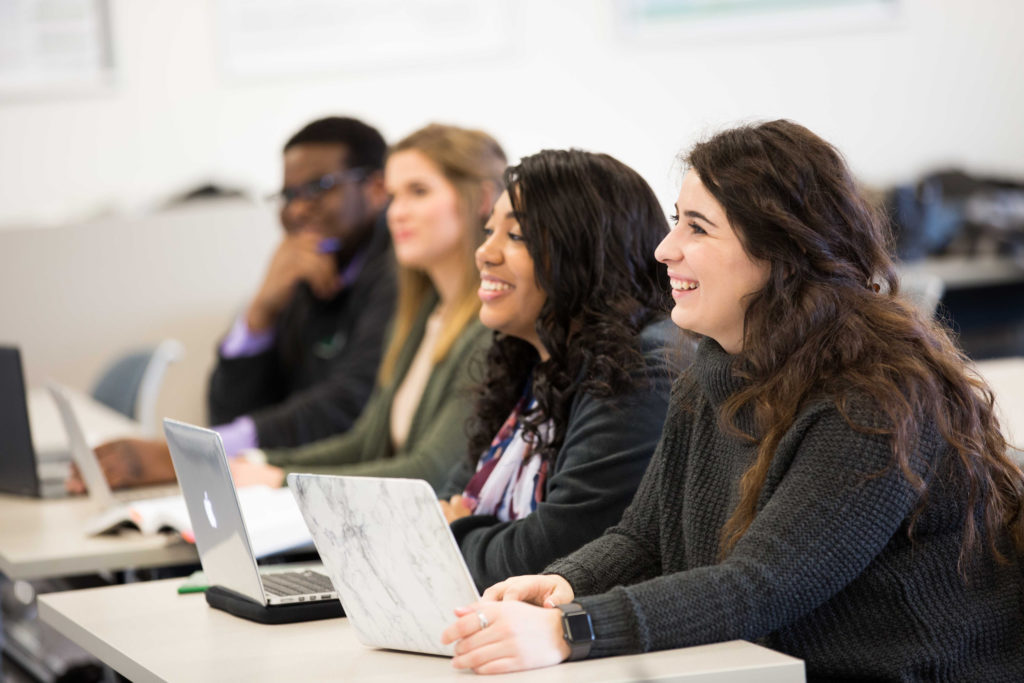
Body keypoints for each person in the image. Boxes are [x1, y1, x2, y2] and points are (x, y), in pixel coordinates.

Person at [442, 120, 1024, 679]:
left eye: (697, 227)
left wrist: (575, 629)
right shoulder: (712, 373)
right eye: (676, 222)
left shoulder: (879, 397)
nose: (665, 249)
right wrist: (565, 584)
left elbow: (763, 585)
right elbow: (643, 537)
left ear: (779, 251)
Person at [67, 116, 397, 490]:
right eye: (288, 195)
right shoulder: (306, 266)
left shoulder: (400, 272)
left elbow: (352, 405)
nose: (299, 210)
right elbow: (229, 411)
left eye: (319, 188)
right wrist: (260, 314)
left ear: (376, 188)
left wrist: (195, 456)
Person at [436, 149, 687, 589]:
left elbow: (552, 553)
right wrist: (453, 528)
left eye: (517, 236)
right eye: (488, 231)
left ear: (588, 252)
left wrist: (455, 535)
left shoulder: (641, 367)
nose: (484, 253)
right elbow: (445, 499)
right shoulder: (536, 359)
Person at [226, 124, 505, 491]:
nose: (397, 213)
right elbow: (364, 443)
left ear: (482, 199)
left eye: (418, 192)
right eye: (393, 196)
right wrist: (259, 462)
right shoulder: (426, 313)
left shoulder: (491, 327)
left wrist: (282, 480)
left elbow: (429, 473)